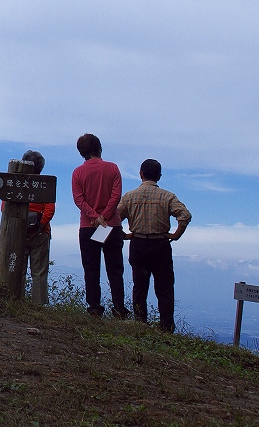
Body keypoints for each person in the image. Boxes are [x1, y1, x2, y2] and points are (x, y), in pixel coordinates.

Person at [118, 159, 192, 332]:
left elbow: (114, 218)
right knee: (164, 287)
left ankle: (140, 323)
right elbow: (185, 215)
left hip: (138, 244)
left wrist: (125, 235)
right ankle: (166, 326)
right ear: (159, 176)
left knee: (139, 285)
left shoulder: (129, 196)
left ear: (141, 174)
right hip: (160, 244)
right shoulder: (167, 196)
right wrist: (176, 235)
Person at [71, 133, 130, 318]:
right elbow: (116, 195)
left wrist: (95, 217)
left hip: (88, 227)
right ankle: (119, 309)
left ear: (81, 152)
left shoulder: (78, 173)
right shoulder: (112, 168)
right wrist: (104, 216)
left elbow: (78, 200)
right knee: (115, 269)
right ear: (100, 148)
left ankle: (95, 308)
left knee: (91, 269)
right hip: (111, 225)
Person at [20, 150, 55, 306]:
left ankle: (15, 302)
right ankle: (38, 306)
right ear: (41, 167)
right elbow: (50, 209)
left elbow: (4, 208)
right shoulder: (44, 186)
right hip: (41, 234)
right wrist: (40, 227)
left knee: (17, 271)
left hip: (18, 233)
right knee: (39, 272)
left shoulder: (16, 184)